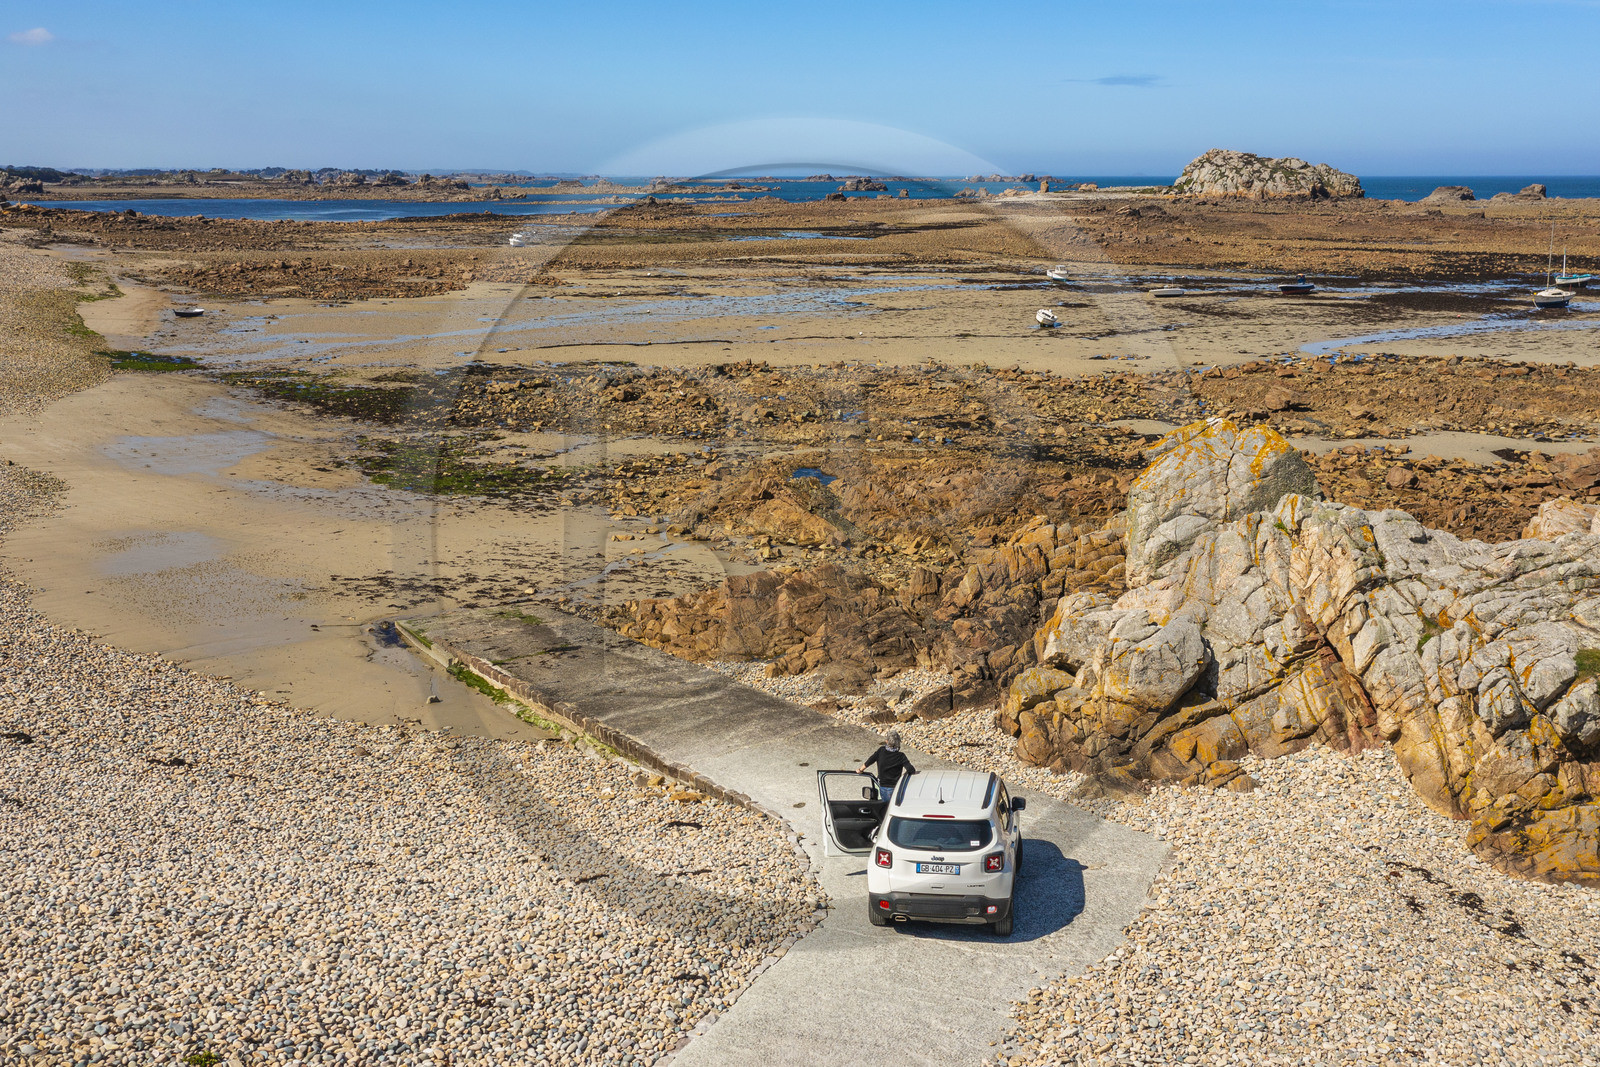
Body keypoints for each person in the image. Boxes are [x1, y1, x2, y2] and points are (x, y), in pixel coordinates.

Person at [858, 731, 916, 802]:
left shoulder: (881, 751)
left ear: (886, 741)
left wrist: (860, 770)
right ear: (898, 742)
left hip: (882, 785)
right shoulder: (901, 756)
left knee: (883, 804)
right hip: (895, 787)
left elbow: (870, 760)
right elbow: (911, 770)